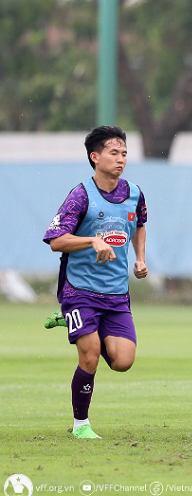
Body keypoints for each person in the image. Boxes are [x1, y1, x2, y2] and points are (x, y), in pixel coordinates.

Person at [43, 126, 148, 439]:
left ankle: (75, 325)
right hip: (79, 290)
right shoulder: (80, 196)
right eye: (114, 153)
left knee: (123, 361)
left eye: (124, 153)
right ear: (95, 156)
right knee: (89, 355)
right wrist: (91, 241)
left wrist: (140, 258)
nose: (121, 159)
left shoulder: (134, 193)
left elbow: (140, 224)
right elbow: (56, 241)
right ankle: (81, 426)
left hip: (116, 294)